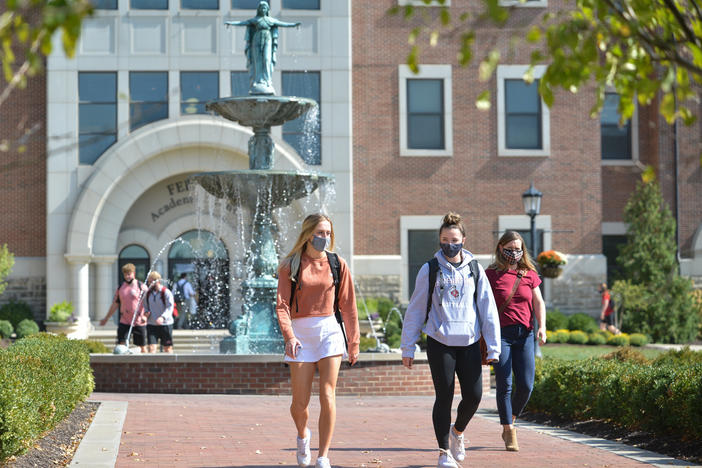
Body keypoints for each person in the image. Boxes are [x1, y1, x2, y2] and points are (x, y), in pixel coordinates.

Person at [400, 212, 501, 468]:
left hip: (468, 341)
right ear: (440, 240)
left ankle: (457, 432)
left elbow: (488, 310)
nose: (449, 244)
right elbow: (415, 309)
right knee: (443, 396)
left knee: (475, 396)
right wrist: (407, 346)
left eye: (454, 239)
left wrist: (493, 346)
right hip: (440, 341)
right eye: (445, 239)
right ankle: (444, 452)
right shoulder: (429, 269)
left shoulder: (475, 269)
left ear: (463, 240)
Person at [275, 213, 360, 468]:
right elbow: (282, 306)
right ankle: (303, 435)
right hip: (300, 333)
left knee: (327, 394)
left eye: (328, 234)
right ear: (308, 234)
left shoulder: (337, 264)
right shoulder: (291, 265)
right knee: (299, 404)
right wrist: (289, 336)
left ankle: (323, 456)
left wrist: (353, 343)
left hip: (329, 331)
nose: (325, 238)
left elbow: (349, 306)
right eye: (320, 233)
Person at [485, 231, 546, 452]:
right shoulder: (490, 274)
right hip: (500, 335)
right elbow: (481, 304)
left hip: (526, 334)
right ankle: (509, 430)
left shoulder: (529, 273)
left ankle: (510, 417)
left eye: (518, 249)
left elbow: (538, 302)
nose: (514, 253)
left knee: (527, 385)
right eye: (510, 249)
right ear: (501, 248)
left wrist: (543, 328)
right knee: (505, 384)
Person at [225, 1, 300, 95]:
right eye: (261, 8)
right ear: (259, 9)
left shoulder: (271, 20)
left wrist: (293, 25)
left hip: (267, 38)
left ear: (267, 9)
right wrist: (231, 23)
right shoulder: (255, 20)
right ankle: (257, 81)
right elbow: (242, 23)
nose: (263, 9)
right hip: (256, 39)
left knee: (267, 59)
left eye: (265, 8)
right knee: (257, 61)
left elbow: (283, 24)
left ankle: (267, 81)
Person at [99, 263, 149, 353]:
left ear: (134, 273)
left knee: (142, 348)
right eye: (125, 274)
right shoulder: (121, 288)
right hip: (124, 321)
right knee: (120, 346)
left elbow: (148, 304)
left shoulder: (141, 286)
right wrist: (106, 318)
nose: (127, 276)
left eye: (129, 274)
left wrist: (145, 316)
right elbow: (115, 304)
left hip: (138, 322)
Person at [145, 271, 175, 353]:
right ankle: (152, 365)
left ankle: (169, 365)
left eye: (151, 281)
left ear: (157, 281)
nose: (149, 283)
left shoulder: (166, 292)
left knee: (167, 348)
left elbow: (170, 307)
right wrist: (146, 313)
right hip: (151, 324)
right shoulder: (148, 294)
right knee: (151, 348)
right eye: (148, 281)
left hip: (165, 324)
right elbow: (145, 306)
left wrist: (163, 317)